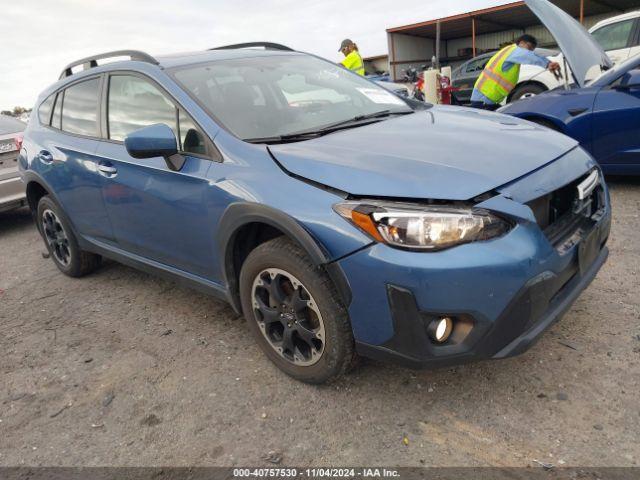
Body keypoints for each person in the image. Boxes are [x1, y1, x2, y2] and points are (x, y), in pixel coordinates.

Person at [470, 34, 560, 110]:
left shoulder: (508, 51)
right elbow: (528, 56)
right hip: (483, 101)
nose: (529, 51)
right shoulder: (515, 51)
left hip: (485, 100)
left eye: (531, 50)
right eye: (529, 47)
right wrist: (548, 63)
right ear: (521, 43)